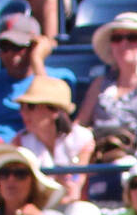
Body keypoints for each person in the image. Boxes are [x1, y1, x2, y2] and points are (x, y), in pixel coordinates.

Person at [0, 13, 78, 143]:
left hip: (35, 150)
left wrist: (37, 60)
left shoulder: (59, 78)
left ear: (35, 46)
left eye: (18, 47)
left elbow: (53, 116)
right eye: (5, 47)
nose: (12, 54)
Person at [76, 12, 137, 149]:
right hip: (101, 158)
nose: (124, 43)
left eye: (133, 37)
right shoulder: (99, 84)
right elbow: (79, 126)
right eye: (117, 38)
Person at [12, 74, 93, 203]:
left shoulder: (83, 139)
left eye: (31, 106)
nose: (23, 113)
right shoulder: (18, 143)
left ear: (54, 111)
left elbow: (76, 187)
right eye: (22, 106)